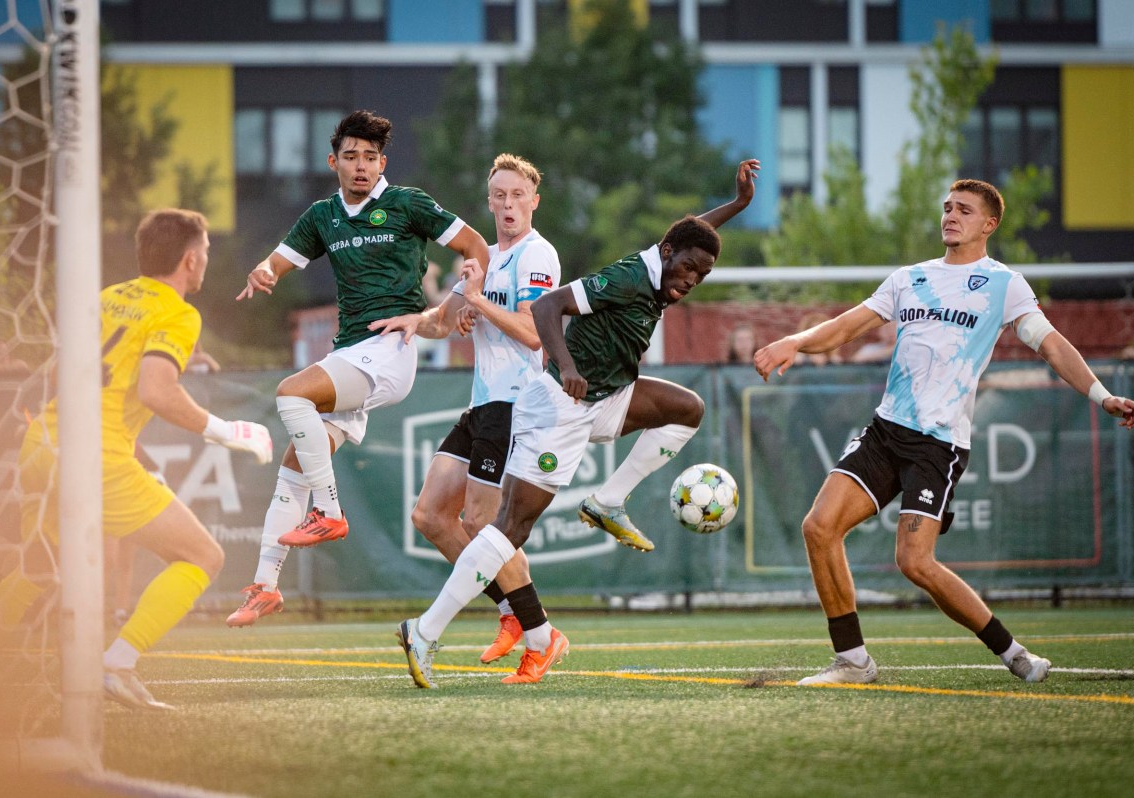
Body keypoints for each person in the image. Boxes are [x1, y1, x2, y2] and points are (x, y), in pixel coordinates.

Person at [753, 179, 1134, 686]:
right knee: (818, 527)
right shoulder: (909, 277)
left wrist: (1100, 393)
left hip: (939, 444)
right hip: (886, 430)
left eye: (964, 209)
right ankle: (852, 662)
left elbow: (1052, 346)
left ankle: (1015, 654)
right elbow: (849, 325)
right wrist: (795, 340)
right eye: (947, 207)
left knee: (914, 562)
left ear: (989, 223)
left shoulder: (1004, 284)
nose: (951, 215)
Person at [396, 158, 761, 688]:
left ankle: (608, 501)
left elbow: (689, 240)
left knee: (688, 409)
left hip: (606, 395)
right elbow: (547, 308)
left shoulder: (666, 263)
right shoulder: (633, 276)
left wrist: (738, 206)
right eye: (687, 269)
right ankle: (426, 631)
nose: (691, 280)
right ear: (665, 257)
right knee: (506, 528)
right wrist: (566, 366)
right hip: (561, 406)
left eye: (700, 275)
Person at [0, 209, 274, 709]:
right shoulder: (179, 313)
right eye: (205, 255)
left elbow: (59, 372)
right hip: (96, 454)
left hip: (43, 442)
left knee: (38, 569)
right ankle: (119, 662)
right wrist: (225, 431)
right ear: (191, 259)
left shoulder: (105, 297)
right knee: (203, 557)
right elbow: (156, 391)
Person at [227, 109, 490, 627]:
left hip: (388, 351)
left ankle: (329, 512)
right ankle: (265, 585)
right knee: (293, 468)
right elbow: (277, 262)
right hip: (348, 356)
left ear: (382, 162)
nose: (362, 166)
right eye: (351, 157)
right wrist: (263, 271)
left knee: (290, 394)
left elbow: (476, 247)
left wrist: (464, 295)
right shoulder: (322, 216)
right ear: (334, 162)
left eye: (371, 157)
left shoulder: (406, 203)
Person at [371, 154, 561, 671]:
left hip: (517, 405)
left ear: (533, 202)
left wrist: (479, 300)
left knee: (482, 521)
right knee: (431, 515)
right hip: (482, 404)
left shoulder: (536, 255)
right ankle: (514, 613)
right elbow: (444, 320)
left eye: (517, 195)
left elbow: (534, 331)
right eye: (498, 195)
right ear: (489, 202)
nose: (507, 204)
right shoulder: (483, 257)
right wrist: (411, 319)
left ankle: (541, 638)